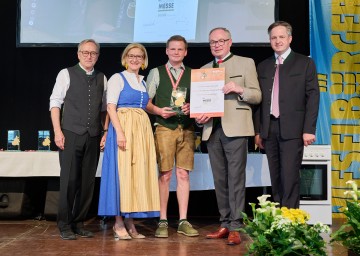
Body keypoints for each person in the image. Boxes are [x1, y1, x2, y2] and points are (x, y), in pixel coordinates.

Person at [195, 27, 261, 245]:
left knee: (236, 179)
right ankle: (224, 223)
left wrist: (239, 88)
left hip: (236, 129)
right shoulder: (203, 69)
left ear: (230, 42)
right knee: (219, 180)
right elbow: (200, 105)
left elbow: (257, 95)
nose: (217, 44)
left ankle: (236, 226)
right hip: (212, 131)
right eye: (213, 41)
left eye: (221, 41)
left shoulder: (246, 62)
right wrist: (199, 118)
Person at [254, 21, 320, 209]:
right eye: (273, 37)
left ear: (290, 39)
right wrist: (258, 131)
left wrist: (309, 129)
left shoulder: (305, 63)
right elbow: (259, 101)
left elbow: (313, 97)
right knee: (275, 177)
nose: (277, 41)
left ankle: (290, 221)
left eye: (281, 37)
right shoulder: (263, 66)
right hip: (269, 129)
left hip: (293, 129)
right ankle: (278, 221)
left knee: (290, 176)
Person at [98, 43, 160, 240]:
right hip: (123, 127)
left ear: (144, 60)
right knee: (122, 174)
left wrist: (160, 111)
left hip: (141, 130)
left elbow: (147, 106)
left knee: (136, 175)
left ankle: (130, 221)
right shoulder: (118, 78)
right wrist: (120, 133)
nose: (135, 59)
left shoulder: (142, 81)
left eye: (139, 56)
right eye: (131, 56)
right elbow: (110, 107)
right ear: (125, 58)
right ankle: (117, 222)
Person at [49, 39, 107, 240]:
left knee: (87, 182)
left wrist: (105, 131)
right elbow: (55, 102)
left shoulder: (102, 77)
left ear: (98, 56)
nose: (89, 56)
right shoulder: (66, 73)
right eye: (85, 52)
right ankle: (64, 224)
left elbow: (104, 109)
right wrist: (58, 131)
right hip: (70, 134)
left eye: (93, 53)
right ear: (78, 54)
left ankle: (79, 222)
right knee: (69, 180)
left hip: (93, 135)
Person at [146, 35, 199, 238]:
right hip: (164, 128)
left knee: (183, 175)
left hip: (186, 128)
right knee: (165, 174)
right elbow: (146, 103)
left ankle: (183, 220)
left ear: (185, 52)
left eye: (180, 49)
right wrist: (159, 111)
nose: (176, 52)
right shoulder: (156, 72)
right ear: (166, 51)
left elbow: (201, 103)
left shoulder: (194, 74)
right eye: (173, 49)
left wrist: (191, 107)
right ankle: (162, 220)